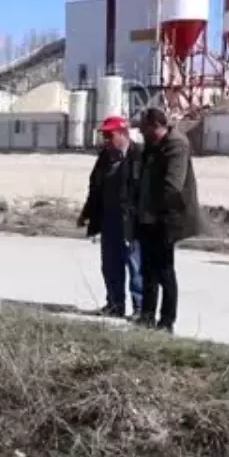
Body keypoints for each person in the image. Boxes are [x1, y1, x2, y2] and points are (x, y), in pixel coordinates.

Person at [135, 108, 201, 334]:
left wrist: (154, 211)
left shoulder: (176, 145)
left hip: (167, 218)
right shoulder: (152, 146)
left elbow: (173, 185)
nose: (141, 133)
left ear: (155, 125)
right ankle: (146, 316)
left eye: (143, 128)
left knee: (164, 270)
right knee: (148, 271)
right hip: (147, 217)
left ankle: (166, 321)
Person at [77, 116, 143, 318]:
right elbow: (95, 189)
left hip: (132, 221)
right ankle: (115, 305)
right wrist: (86, 214)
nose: (105, 140)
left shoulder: (139, 155)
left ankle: (140, 308)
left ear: (123, 134)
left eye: (109, 135)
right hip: (109, 221)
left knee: (136, 265)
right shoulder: (105, 157)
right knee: (110, 266)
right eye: (104, 136)